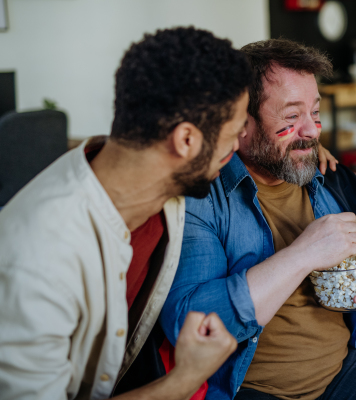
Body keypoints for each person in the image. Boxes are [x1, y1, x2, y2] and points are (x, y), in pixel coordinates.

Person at [159, 38, 356, 400]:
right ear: (239, 123)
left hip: (346, 369)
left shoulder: (329, 177)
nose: (312, 131)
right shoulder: (202, 198)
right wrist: (302, 255)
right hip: (254, 388)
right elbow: (189, 325)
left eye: (315, 114)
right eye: (291, 116)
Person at [0, 27, 253, 399]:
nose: (239, 144)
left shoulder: (153, 180)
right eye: (235, 132)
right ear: (185, 140)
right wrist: (184, 379)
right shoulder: (38, 261)